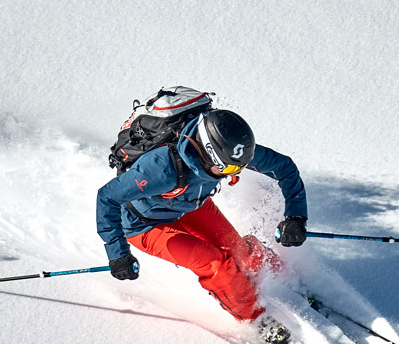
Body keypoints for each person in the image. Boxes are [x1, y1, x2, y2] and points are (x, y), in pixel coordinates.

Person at [95, 107, 308, 322]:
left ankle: (284, 278)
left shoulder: (231, 150)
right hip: (145, 226)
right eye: (228, 170)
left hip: (191, 205)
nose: (234, 174)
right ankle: (254, 317)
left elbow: (285, 168)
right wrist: (118, 254)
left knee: (241, 253)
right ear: (208, 156)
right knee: (214, 263)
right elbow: (107, 197)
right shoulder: (160, 170)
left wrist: (296, 217)